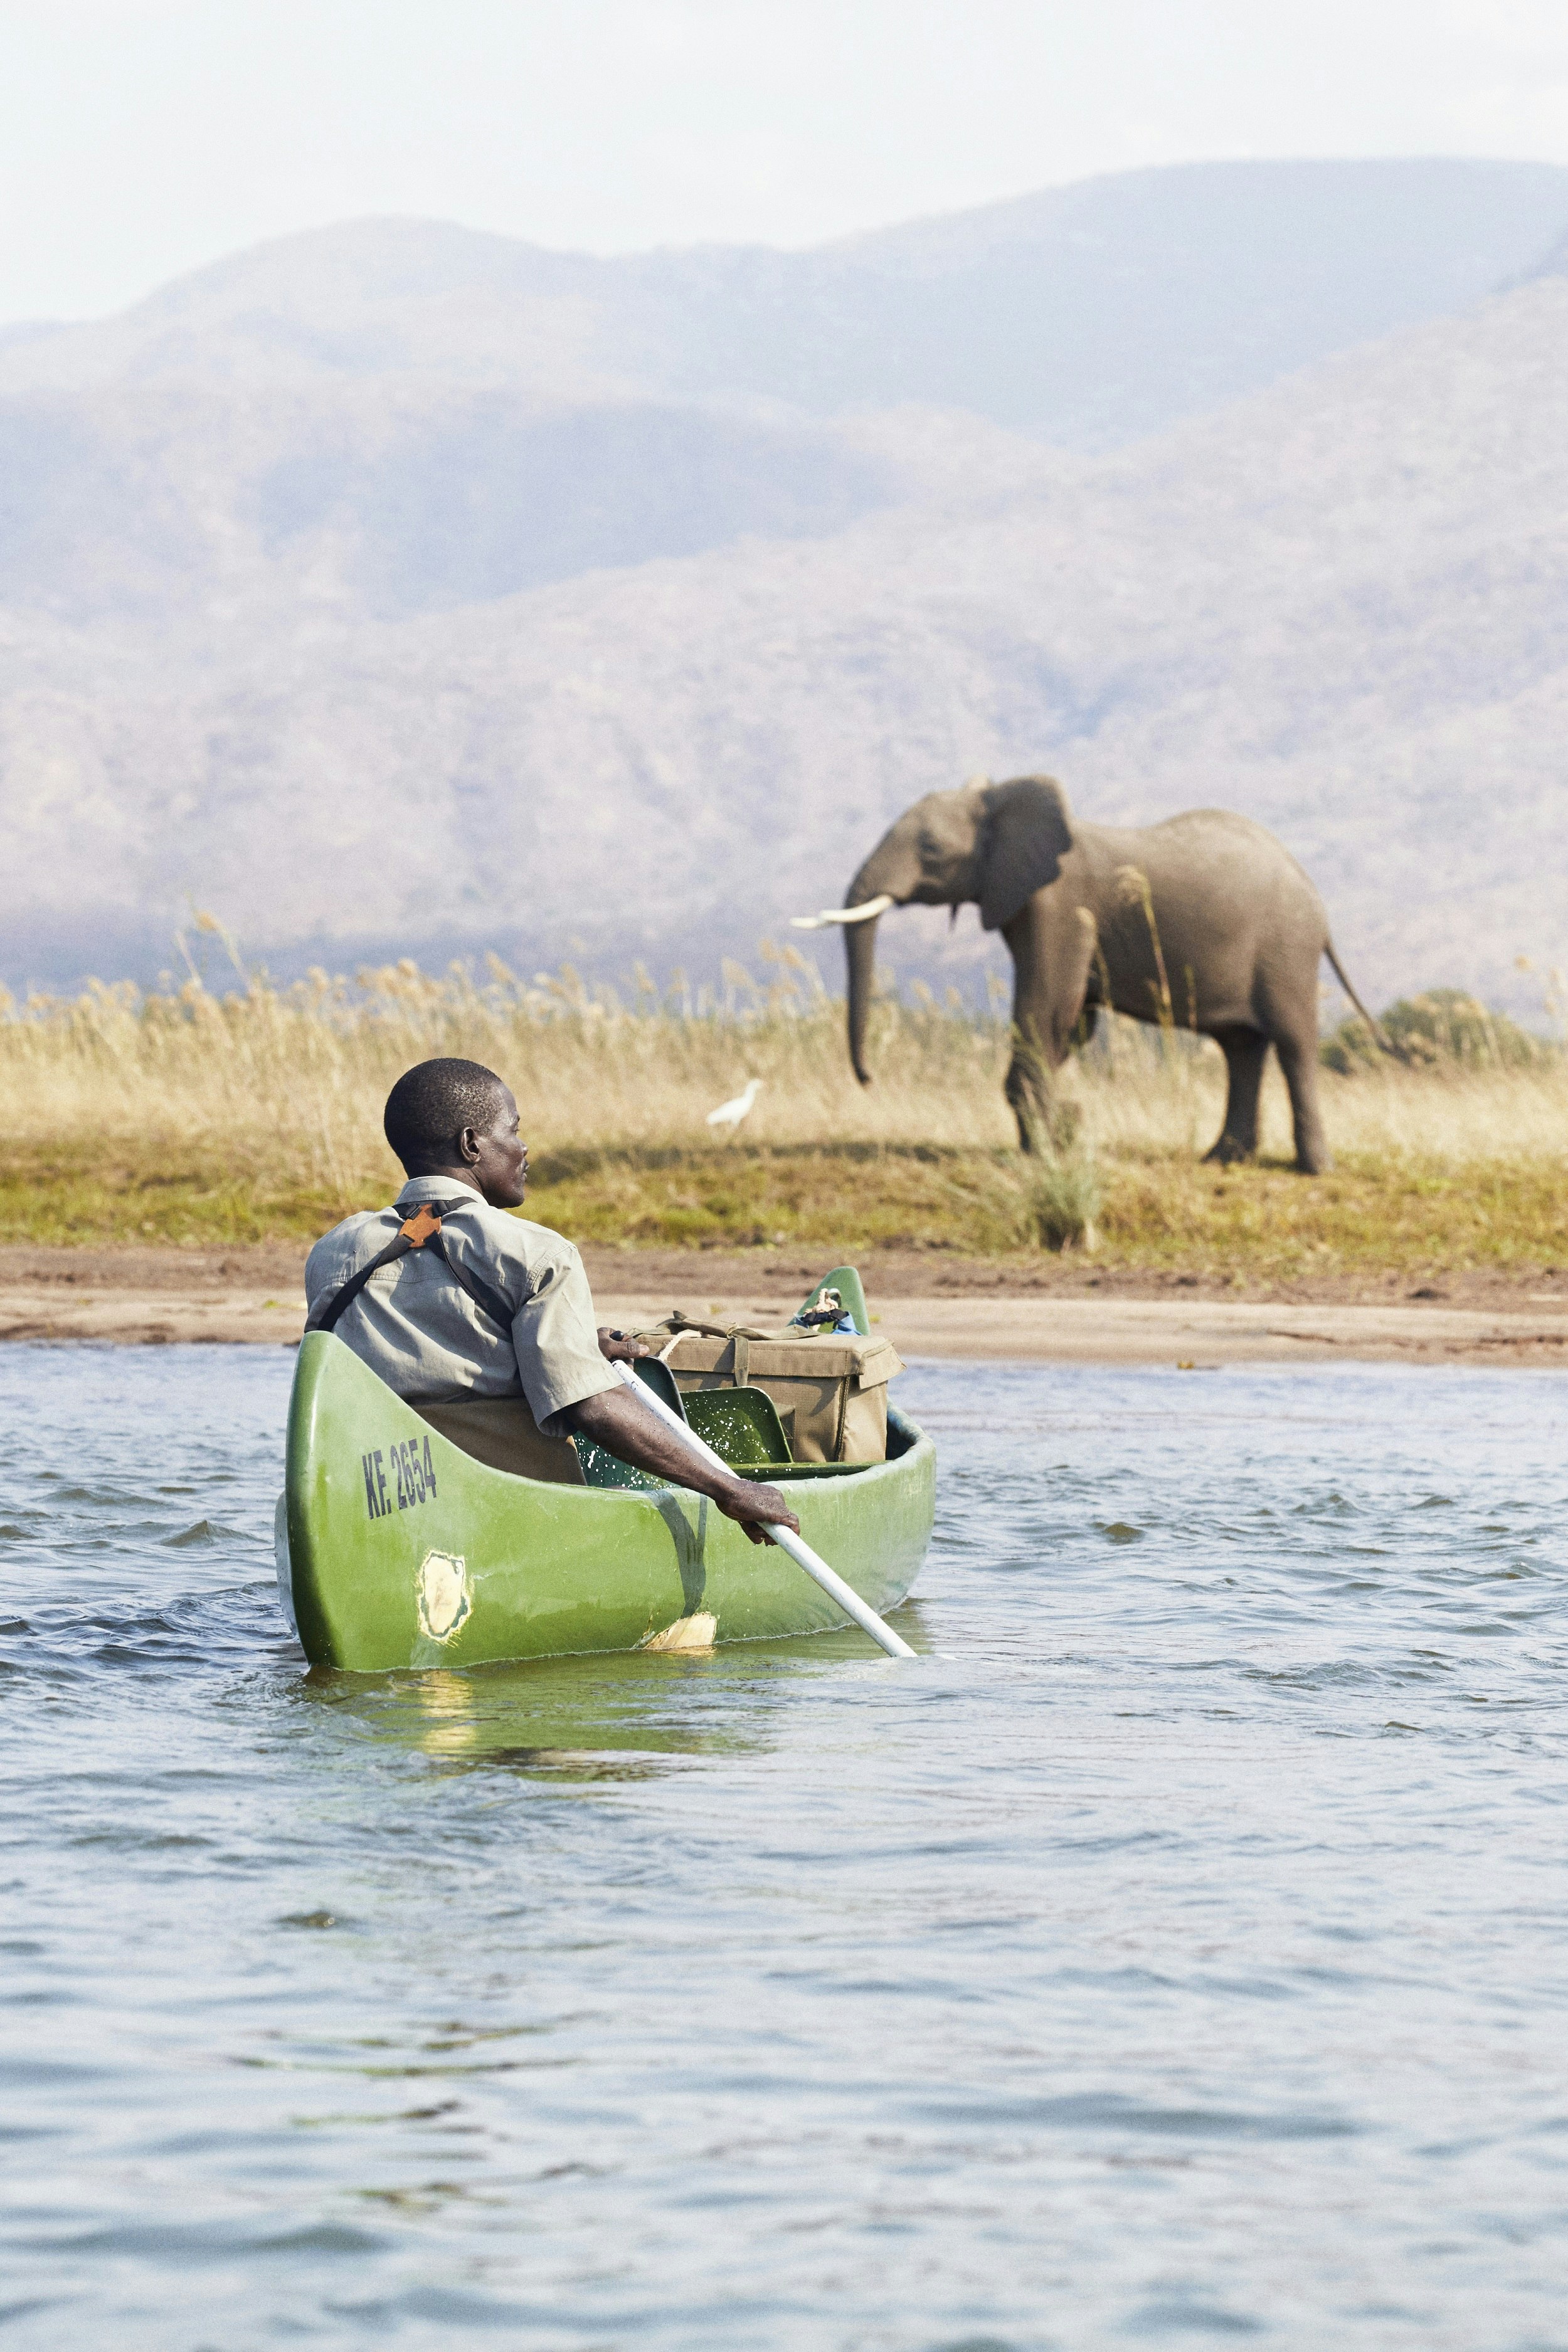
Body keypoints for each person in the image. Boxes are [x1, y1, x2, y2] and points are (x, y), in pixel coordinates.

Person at [304, 1056, 799, 1544]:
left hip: (378, 1509)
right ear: (472, 1145)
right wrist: (729, 1489)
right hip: (507, 1513)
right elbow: (594, 1408)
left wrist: (579, 1349)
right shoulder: (539, 1253)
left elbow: (426, 1352)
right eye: (514, 1130)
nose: (524, 1149)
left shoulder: (333, 1251)